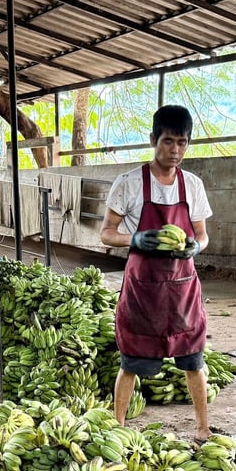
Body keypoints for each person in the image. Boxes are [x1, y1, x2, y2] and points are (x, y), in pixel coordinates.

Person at [99, 104, 213, 443]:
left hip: (182, 291)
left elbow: (203, 234)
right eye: (167, 141)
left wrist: (196, 247)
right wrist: (134, 238)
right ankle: (118, 427)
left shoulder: (192, 185)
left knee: (193, 361)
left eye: (182, 142)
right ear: (153, 139)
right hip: (143, 291)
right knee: (131, 363)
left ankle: (203, 427)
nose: (175, 150)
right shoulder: (129, 183)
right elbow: (106, 232)